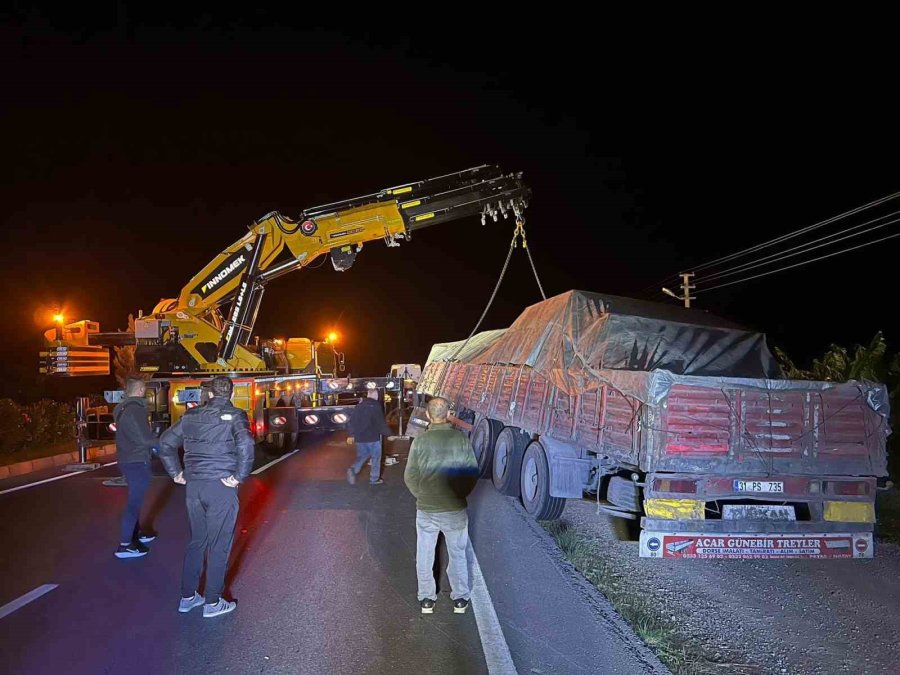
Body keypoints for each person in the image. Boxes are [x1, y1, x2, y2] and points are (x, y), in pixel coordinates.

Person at [158, 375, 254, 619]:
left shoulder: (190, 416)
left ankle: (188, 597)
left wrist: (176, 473)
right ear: (230, 394)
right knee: (219, 544)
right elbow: (246, 446)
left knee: (197, 541)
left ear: (210, 394)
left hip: (194, 487)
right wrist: (238, 477)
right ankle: (213, 601)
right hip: (220, 487)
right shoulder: (235, 415)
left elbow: (165, 443)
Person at [403, 396, 479, 614]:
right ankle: (460, 599)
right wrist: (459, 495)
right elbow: (472, 473)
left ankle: (427, 599)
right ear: (448, 415)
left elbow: (410, 476)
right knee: (458, 553)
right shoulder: (461, 440)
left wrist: (423, 495)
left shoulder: (420, 441)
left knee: (425, 554)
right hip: (455, 509)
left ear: (428, 415)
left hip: (427, 510)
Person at [113, 377, 159, 559]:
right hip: (137, 461)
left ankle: (136, 534)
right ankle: (125, 545)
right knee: (134, 502)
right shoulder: (136, 410)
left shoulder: (123, 408)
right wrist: (162, 445)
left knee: (136, 499)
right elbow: (145, 439)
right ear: (140, 390)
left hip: (126, 458)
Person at [346, 389, 391, 486]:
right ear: (376, 396)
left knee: (363, 455)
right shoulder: (376, 406)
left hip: (360, 437)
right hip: (373, 437)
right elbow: (380, 423)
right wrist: (388, 433)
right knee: (376, 457)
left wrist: (352, 434)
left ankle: (354, 469)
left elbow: (351, 421)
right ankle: (374, 479)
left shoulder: (359, 406)